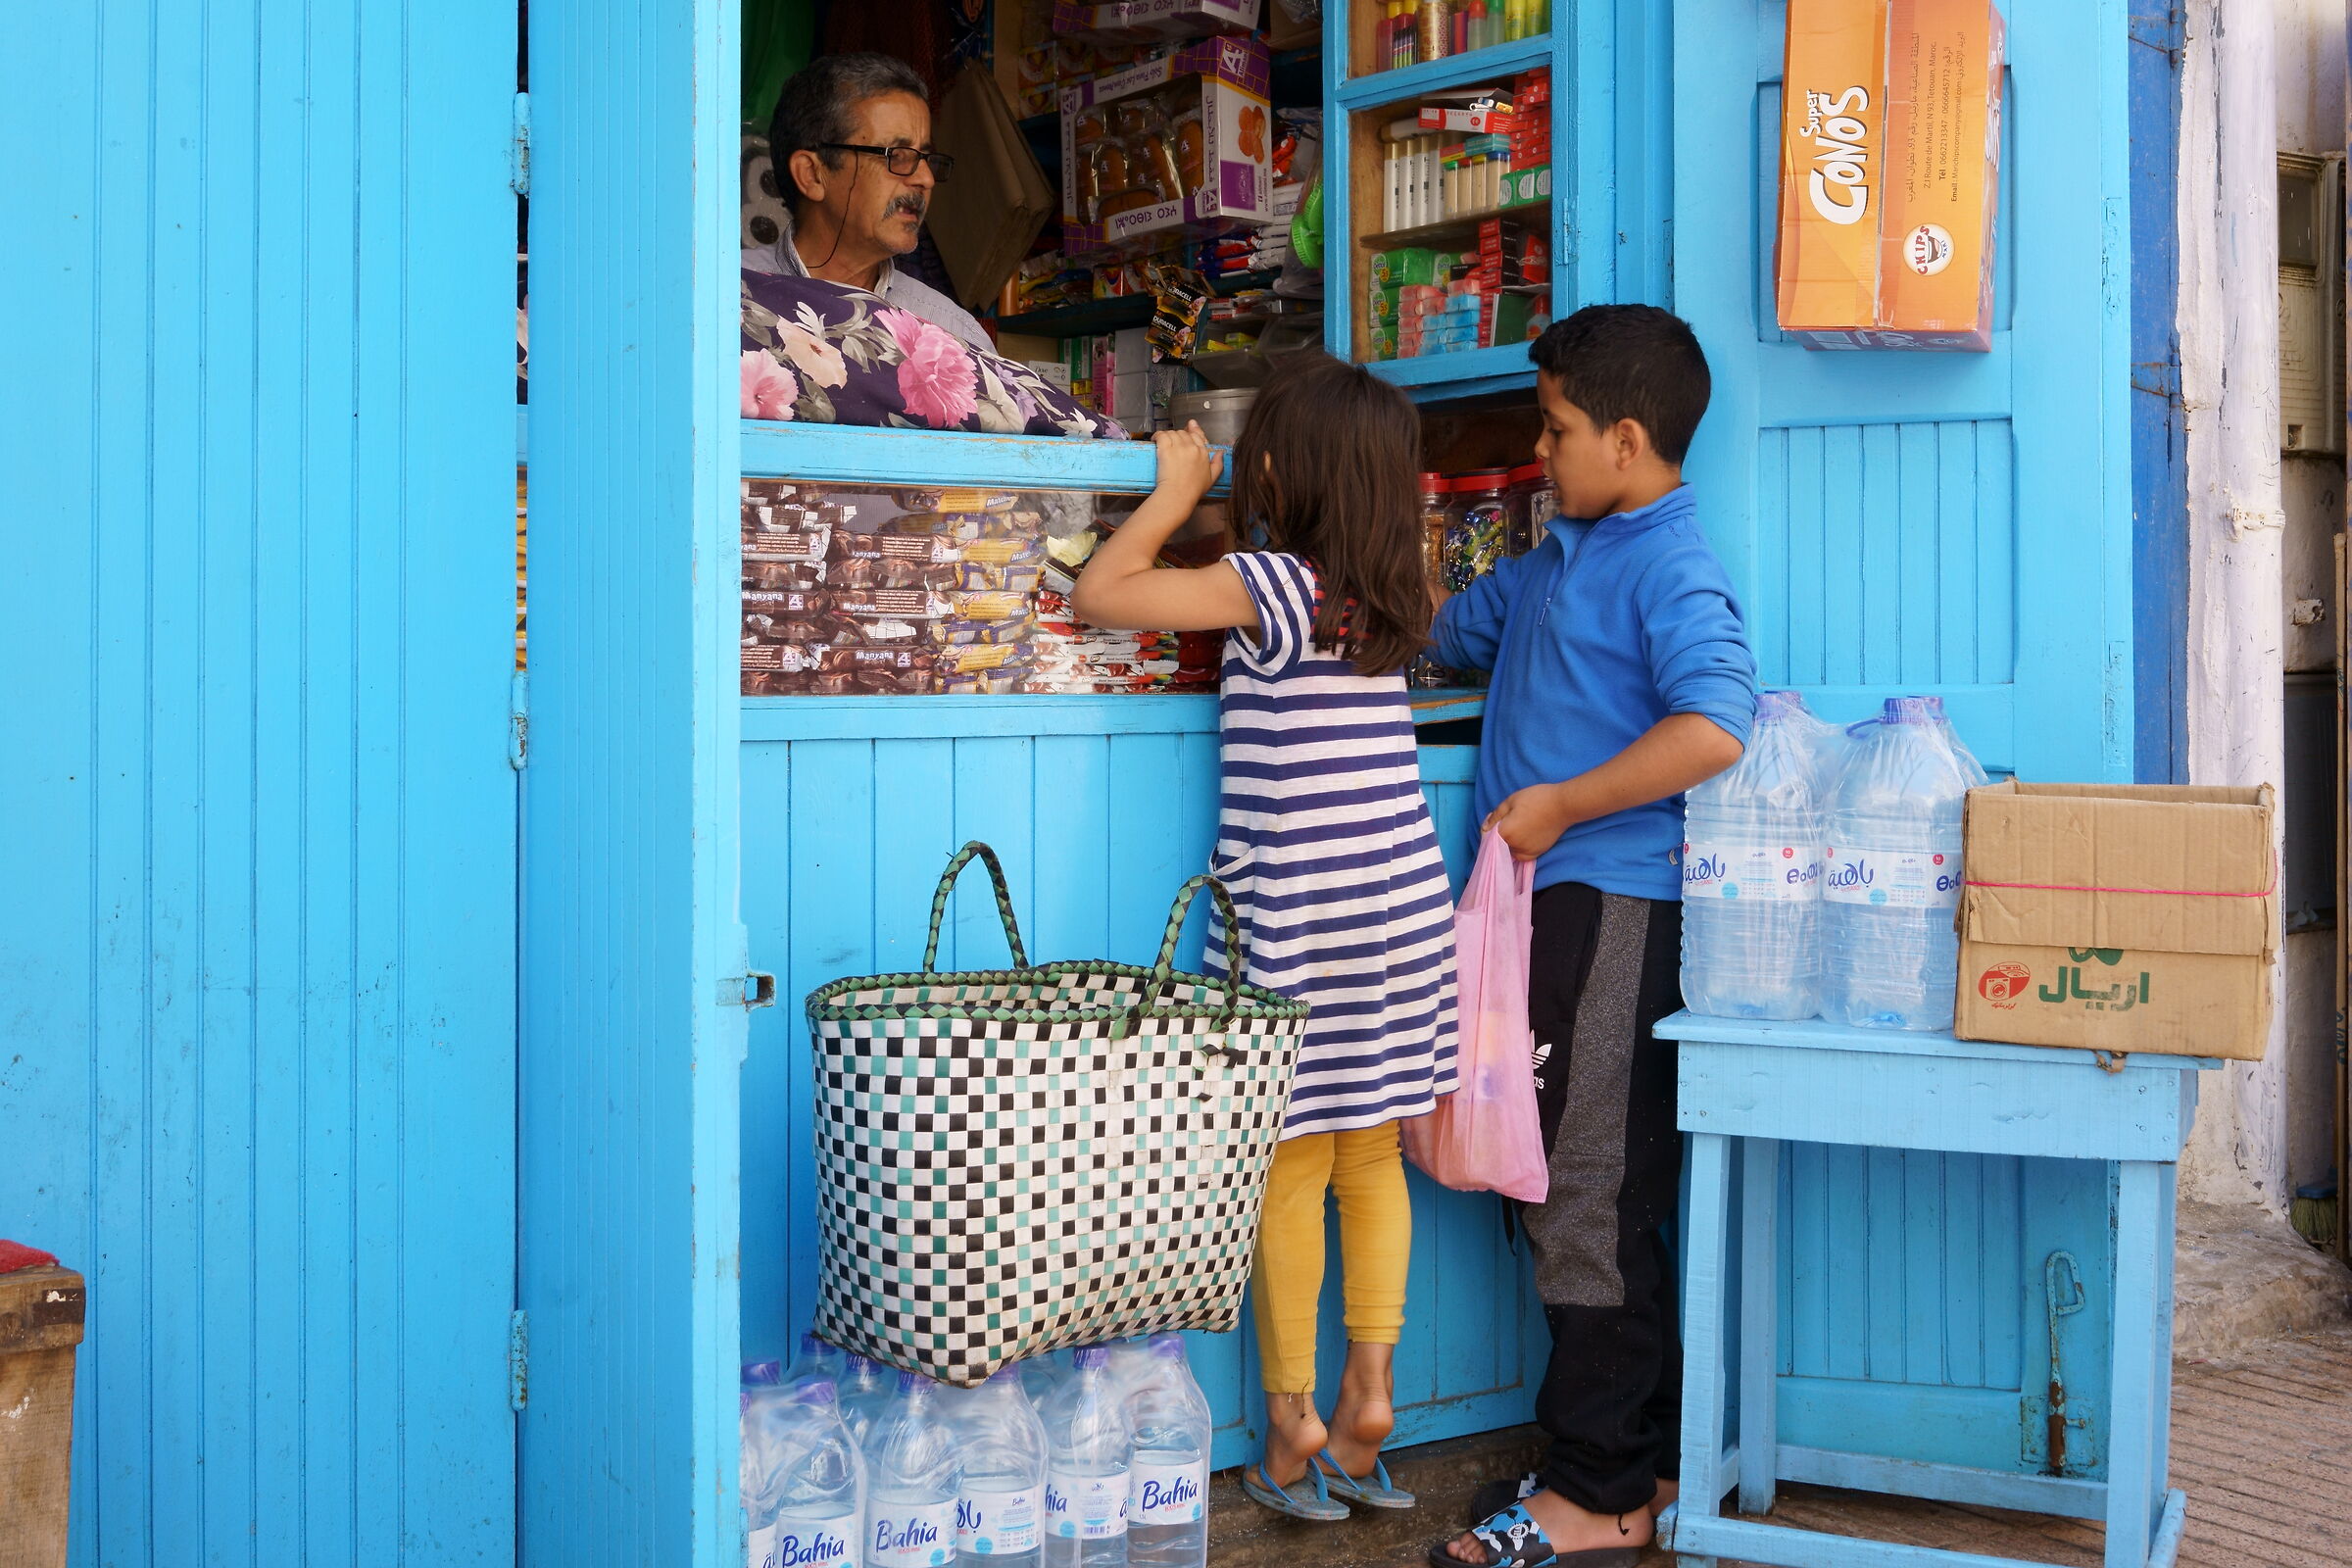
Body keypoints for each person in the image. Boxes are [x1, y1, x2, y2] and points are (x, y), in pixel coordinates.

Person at [1070, 353, 1460, 1524]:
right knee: (1372, 1152)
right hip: (1397, 914)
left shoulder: (1275, 586)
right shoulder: (1394, 594)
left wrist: (1171, 494)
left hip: (1298, 918)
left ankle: (1290, 1419)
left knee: (1287, 1165)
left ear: (1284, 468)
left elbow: (1104, 592)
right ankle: (1372, 1393)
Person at [1428, 306, 1755, 1568]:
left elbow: (1715, 724)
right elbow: (1458, 627)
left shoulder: (1669, 560)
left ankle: (1597, 1494)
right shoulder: (1568, 549)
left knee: (1588, 1200)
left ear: (1627, 439)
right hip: (1547, 915)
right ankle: (1647, 1462)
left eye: (1557, 429)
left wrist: (1562, 804)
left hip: (1616, 908)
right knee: (1589, 1192)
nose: (1540, 448)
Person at [755, 52, 994, 356]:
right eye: (897, 155)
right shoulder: (723, 300)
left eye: (924, 156)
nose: (926, 179)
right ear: (813, 174)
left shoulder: (954, 338)